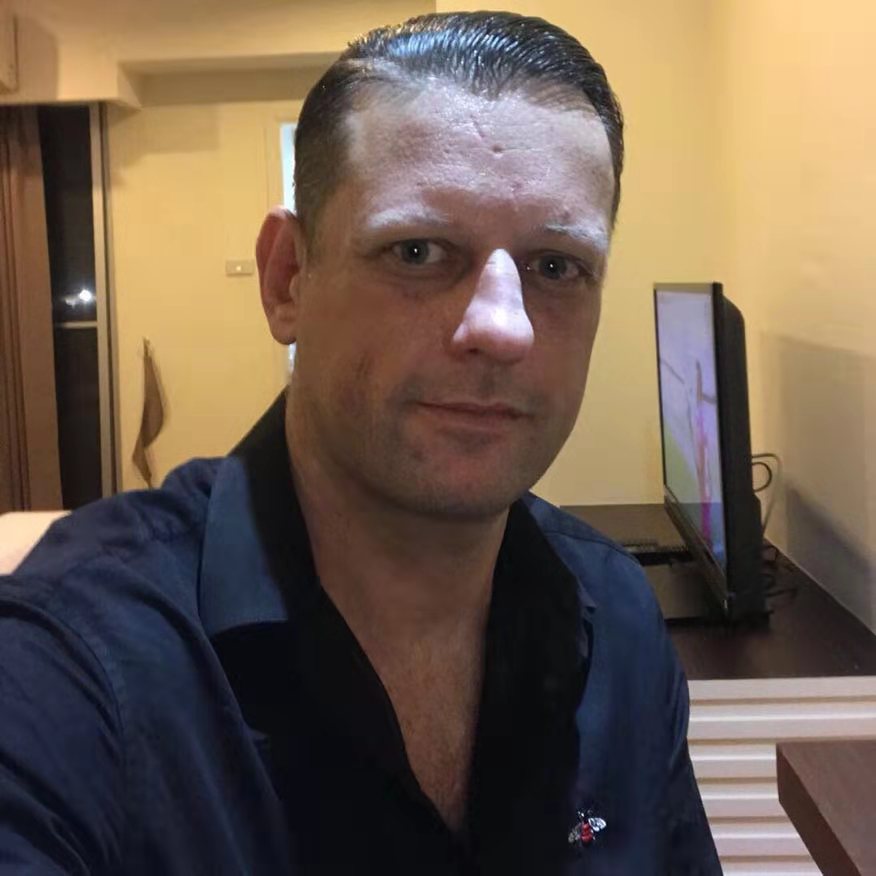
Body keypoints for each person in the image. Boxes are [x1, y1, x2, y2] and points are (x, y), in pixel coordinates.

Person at [0, 12, 721, 875]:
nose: (504, 328)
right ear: (287, 279)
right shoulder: (65, 665)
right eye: (418, 251)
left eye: (556, 266)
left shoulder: (619, 622)